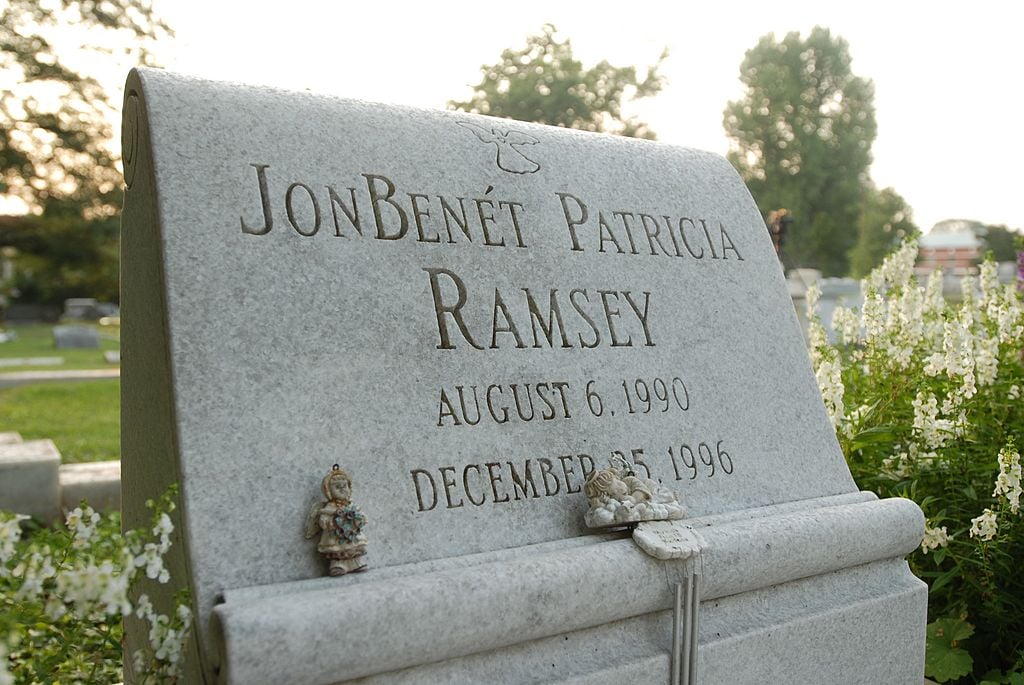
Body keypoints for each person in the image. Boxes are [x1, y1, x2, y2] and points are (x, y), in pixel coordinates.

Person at [305, 465, 368, 576]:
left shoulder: (351, 505)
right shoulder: (330, 507)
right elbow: (324, 518)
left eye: (345, 486)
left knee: (353, 548)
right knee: (338, 550)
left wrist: (360, 519)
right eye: (337, 487)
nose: (342, 489)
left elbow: (360, 515)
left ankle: (355, 563)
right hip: (336, 535)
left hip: (351, 534)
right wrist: (327, 522)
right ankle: (338, 565)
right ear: (328, 491)